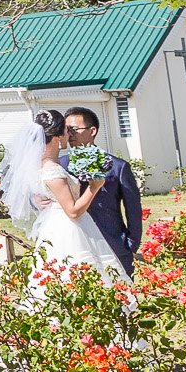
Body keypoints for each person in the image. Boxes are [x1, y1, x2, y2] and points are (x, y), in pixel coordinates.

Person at [0, 108, 129, 280]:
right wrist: (94, 187)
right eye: (67, 132)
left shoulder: (43, 166)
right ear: (59, 138)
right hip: (69, 229)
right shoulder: (53, 171)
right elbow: (73, 211)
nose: (70, 135)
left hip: (58, 225)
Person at [63, 106, 144, 273]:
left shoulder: (117, 167)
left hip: (113, 244)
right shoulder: (60, 165)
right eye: (66, 129)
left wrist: (131, 244)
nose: (69, 134)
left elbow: (134, 210)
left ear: (92, 131)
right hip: (74, 244)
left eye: (74, 129)